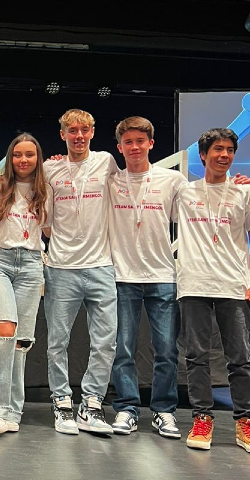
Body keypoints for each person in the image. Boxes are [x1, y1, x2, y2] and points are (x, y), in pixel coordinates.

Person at [106, 117, 185, 438]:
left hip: (163, 275)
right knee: (122, 348)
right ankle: (126, 408)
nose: (135, 147)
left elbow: (198, 209)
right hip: (121, 276)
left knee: (166, 350)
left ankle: (164, 411)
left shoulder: (172, 180)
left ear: (151, 143)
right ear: (120, 147)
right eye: (129, 142)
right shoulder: (109, 181)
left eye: (141, 141)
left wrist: (233, 185)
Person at [43, 108, 118, 435]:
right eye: (72, 131)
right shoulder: (50, 168)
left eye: (84, 130)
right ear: (62, 134)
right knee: (58, 341)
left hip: (101, 266)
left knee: (105, 342)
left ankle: (92, 405)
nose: (78, 136)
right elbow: (45, 223)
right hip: (61, 268)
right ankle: (61, 403)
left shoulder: (106, 162)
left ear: (92, 132)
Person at [175, 128, 250, 453]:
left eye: (230, 150)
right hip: (194, 283)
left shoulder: (244, 193)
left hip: (233, 284)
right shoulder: (184, 192)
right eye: (218, 149)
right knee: (197, 357)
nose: (225, 155)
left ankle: (244, 422)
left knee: (241, 359)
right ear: (203, 155)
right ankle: (202, 418)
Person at [0, 133, 50, 435]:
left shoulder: (46, 189)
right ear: (10, 157)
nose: (23, 160)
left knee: (21, 341)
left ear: (37, 158)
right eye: (17, 154)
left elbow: (54, 226)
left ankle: (12, 408)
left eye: (29, 154)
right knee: (3, 328)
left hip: (31, 263)